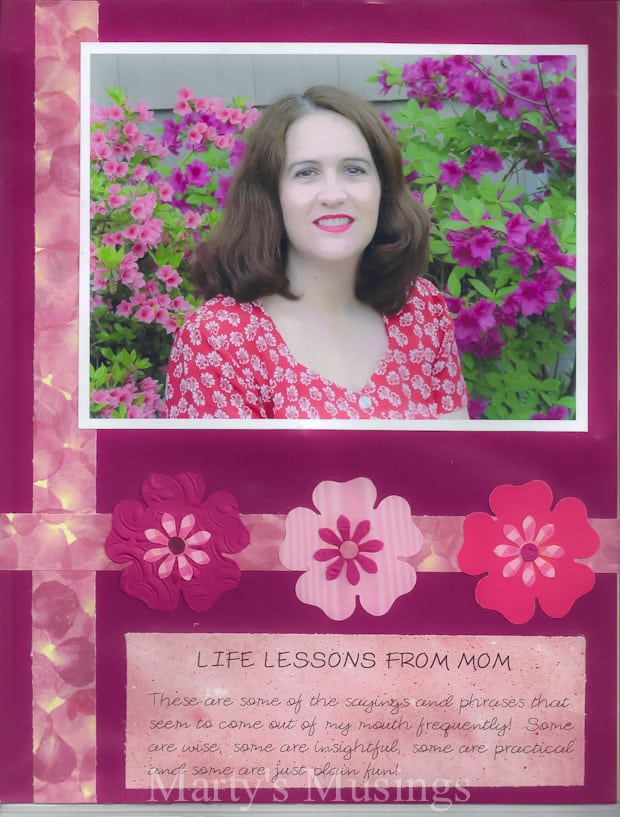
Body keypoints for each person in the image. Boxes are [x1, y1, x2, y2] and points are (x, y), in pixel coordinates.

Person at [166, 85, 468, 421]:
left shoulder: (422, 310)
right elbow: (224, 474)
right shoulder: (219, 339)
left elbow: (455, 464)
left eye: (354, 169)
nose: (334, 194)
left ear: (383, 187)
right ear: (270, 196)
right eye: (306, 173)